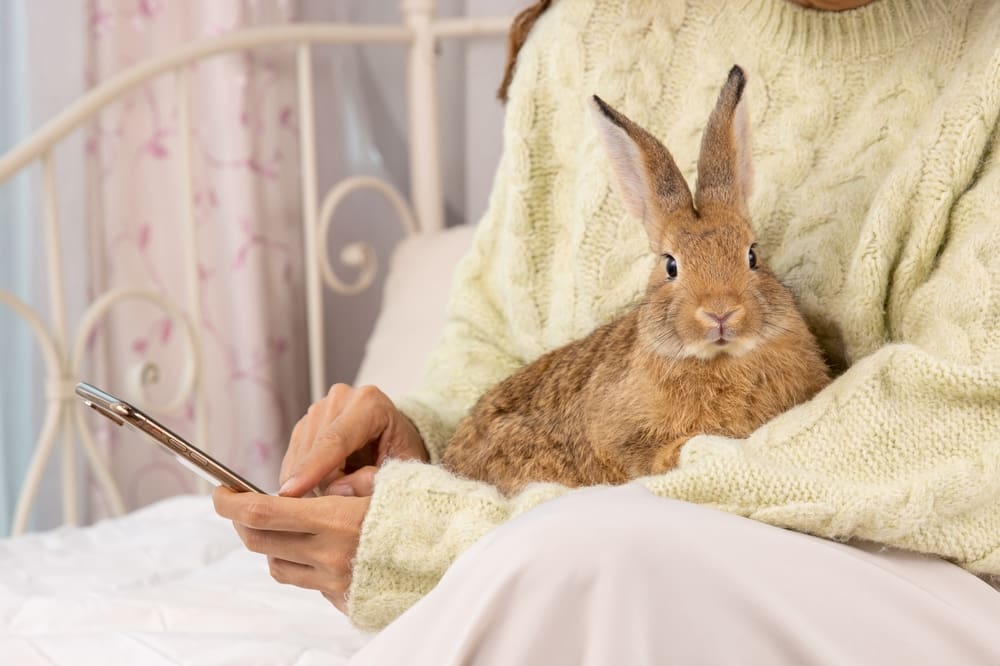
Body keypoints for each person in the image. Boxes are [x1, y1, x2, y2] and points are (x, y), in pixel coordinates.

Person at [214, 0, 1000, 662]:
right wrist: (423, 448)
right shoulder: (587, 32)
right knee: (590, 552)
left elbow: (960, 431)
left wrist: (451, 546)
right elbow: (494, 335)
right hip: (568, 548)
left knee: (597, 551)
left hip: (906, 571)